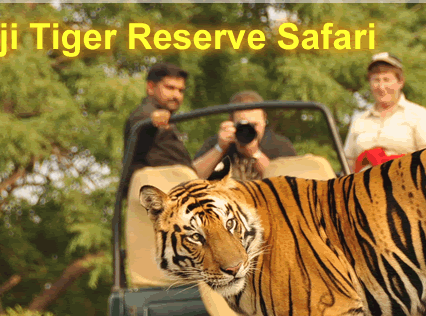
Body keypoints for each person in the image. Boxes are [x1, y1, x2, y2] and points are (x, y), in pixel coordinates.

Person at [123, 61, 200, 287]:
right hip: (166, 211)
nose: (176, 95)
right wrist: (154, 119)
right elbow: (141, 125)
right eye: (169, 88)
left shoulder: (168, 124)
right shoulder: (145, 116)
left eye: (180, 90)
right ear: (150, 88)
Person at [343, 52, 426, 173]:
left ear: (400, 82)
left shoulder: (418, 114)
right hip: (362, 186)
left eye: (386, 80)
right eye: (376, 80)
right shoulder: (359, 119)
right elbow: (348, 164)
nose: (381, 87)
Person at [193, 91, 297, 181]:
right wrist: (219, 149)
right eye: (243, 124)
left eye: (254, 125)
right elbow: (191, 179)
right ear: (231, 121)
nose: (249, 130)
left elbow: (291, 185)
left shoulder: (280, 145)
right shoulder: (218, 143)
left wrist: (256, 154)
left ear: (264, 119)